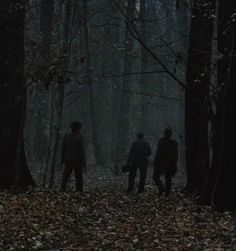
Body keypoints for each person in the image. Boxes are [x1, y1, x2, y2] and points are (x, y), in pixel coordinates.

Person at [60, 121, 86, 192]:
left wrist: (62, 160)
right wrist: (84, 162)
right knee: (78, 177)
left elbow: (63, 148)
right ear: (78, 128)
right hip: (77, 160)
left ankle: (62, 189)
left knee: (66, 176)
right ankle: (79, 191)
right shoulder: (79, 137)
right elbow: (81, 150)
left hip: (68, 159)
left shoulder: (66, 136)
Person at [153, 128, 178, 196]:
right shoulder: (174, 143)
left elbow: (158, 152)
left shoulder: (161, 141)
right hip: (170, 163)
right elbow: (176, 155)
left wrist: (155, 162)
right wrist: (175, 164)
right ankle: (167, 192)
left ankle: (161, 187)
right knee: (168, 178)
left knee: (156, 177)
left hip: (161, 162)